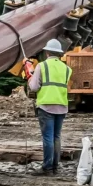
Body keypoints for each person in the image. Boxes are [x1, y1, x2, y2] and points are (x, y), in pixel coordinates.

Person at [27, 38, 72, 176]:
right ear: (59, 53)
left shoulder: (42, 66)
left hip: (46, 106)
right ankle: (55, 167)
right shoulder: (67, 69)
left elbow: (34, 87)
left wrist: (30, 77)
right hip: (61, 105)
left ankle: (47, 167)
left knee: (47, 138)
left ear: (46, 52)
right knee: (56, 137)